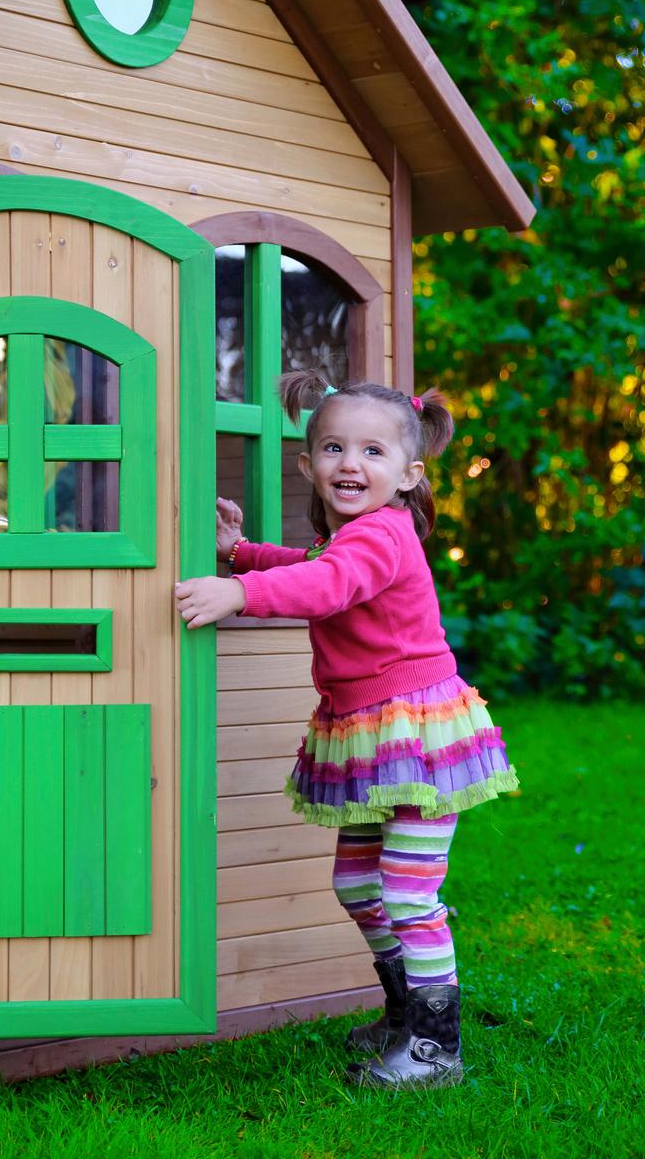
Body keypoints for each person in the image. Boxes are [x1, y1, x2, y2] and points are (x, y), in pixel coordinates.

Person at [174, 373, 518, 1088]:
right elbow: (315, 567)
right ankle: (403, 1015)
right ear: (309, 465)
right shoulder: (356, 538)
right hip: (371, 734)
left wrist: (239, 591)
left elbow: (327, 586)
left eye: (372, 451)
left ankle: (434, 1049)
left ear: (407, 475)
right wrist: (242, 553)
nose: (350, 464)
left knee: (408, 894)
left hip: (416, 738)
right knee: (357, 882)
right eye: (333, 447)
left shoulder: (386, 535)